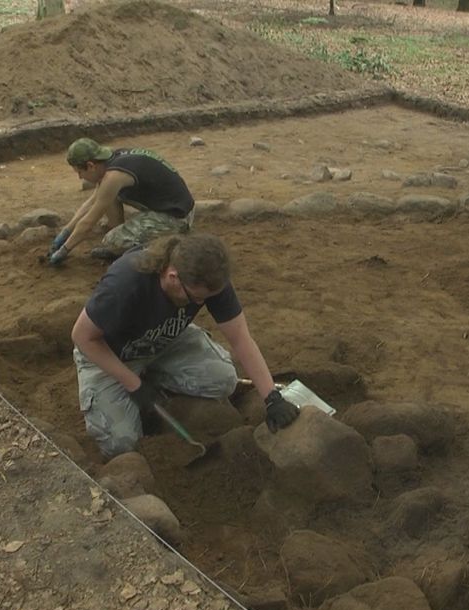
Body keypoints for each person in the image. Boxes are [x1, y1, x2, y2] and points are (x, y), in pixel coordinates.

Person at [70, 232, 299, 459]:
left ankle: (154, 378)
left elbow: (240, 337)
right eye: (195, 299)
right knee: (122, 445)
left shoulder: (211, 280)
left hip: (163, 340)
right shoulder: (126, 283)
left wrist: (271, 398)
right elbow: (82, 336)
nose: (200, 304)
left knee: (223, 380)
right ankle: (139, 385)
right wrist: (134, 384)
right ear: (172, 277)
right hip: (110, 353)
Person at [48, 138, 196, 265]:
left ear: (91, 166)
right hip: (175, 205)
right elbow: (91, 202)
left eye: (80, 172)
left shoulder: (114, 177)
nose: (80, 177)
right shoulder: (113, 160)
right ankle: (127, 235)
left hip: (176, 217)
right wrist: (65, 232)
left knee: (111, 241)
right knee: (107, 198)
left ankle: (166, 242)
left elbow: (88, 222)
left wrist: (64, 250)